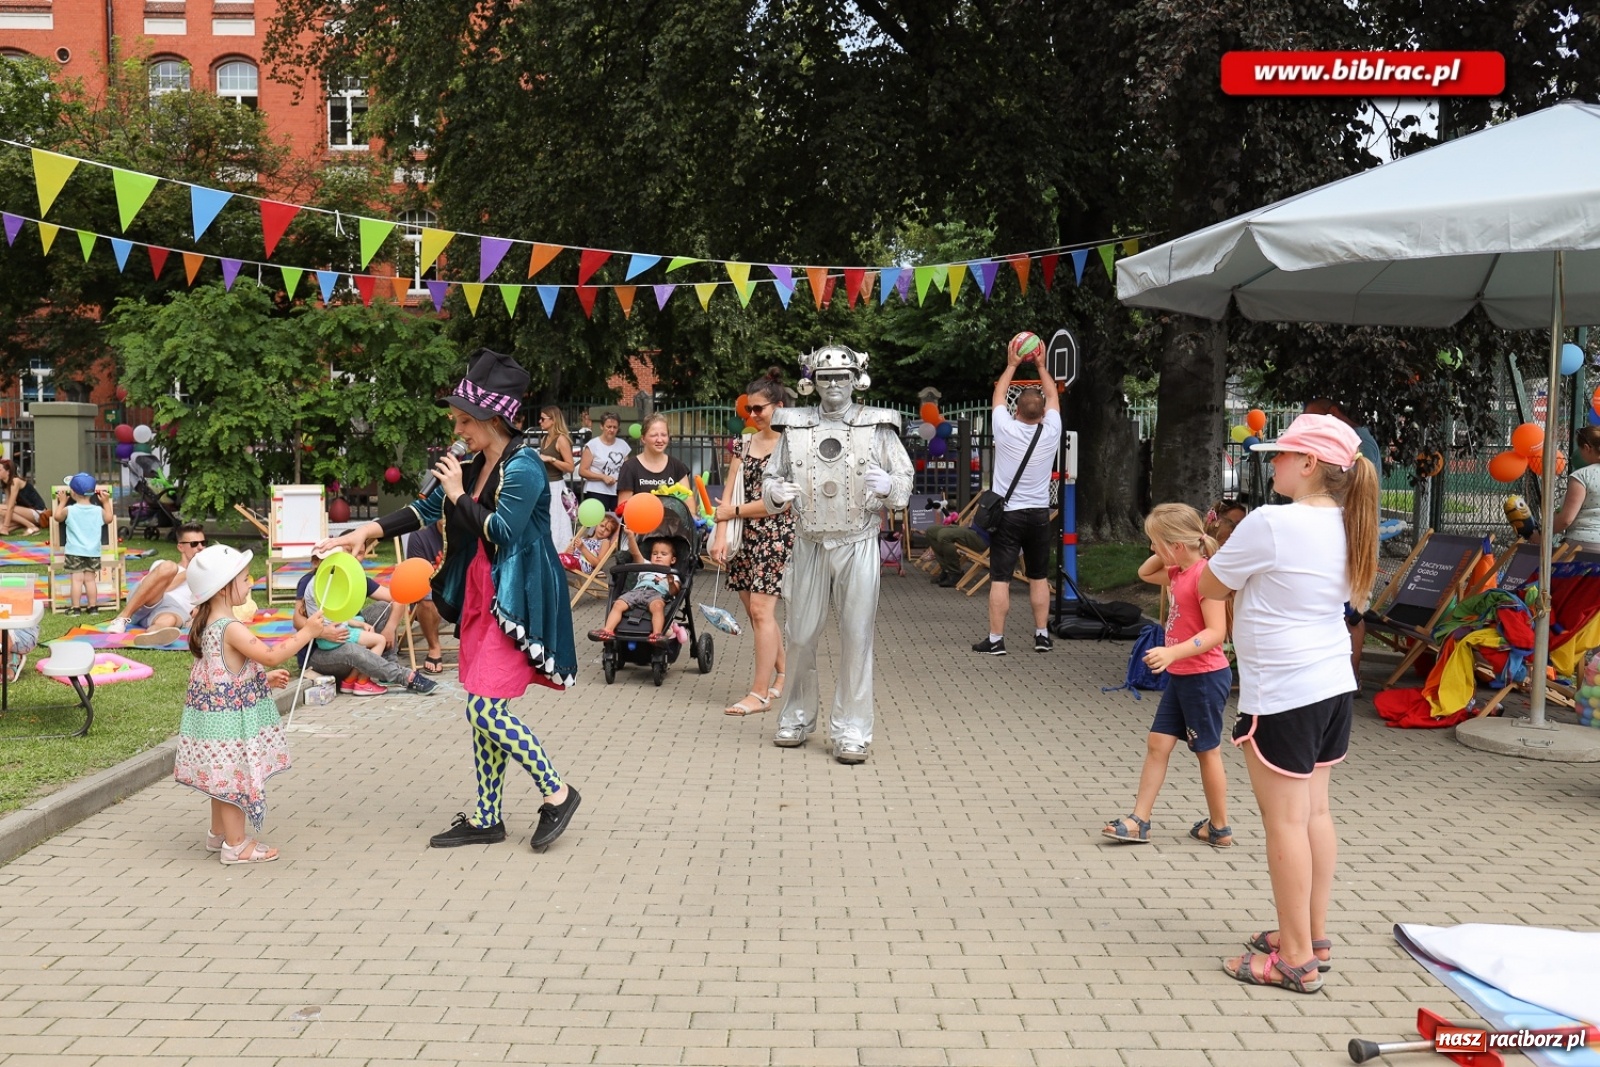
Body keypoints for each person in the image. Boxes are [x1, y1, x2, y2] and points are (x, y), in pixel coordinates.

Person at [316, 348, 581, 852]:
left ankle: (558, 792)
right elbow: (422, 509)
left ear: (495, 418)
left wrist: (460, 494)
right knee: (482, 705)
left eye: (466, 421)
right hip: (482, 592)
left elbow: (502, 531)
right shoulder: (473, 463)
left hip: (517, 595)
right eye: (458, 420)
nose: (459, 429)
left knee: (485, 707)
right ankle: (487, 817)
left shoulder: (523, 468)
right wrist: (364, 530)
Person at [1198, 413, 1379, 994]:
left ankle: (1296, 958)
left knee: (1285, 824)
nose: (1270, 461)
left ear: (1309, 463)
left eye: (1279, 453)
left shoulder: (1270, 523)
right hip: (1330, 687)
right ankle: (1310, 936)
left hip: (1282, 692)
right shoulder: (1352, 521)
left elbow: (1208, 586)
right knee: (1314, 816)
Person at [763, 344, 913, 764]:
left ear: (856, 380)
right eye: (826, 377)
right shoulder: (795, 427)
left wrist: (891, 488)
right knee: (801, 634)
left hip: (858, 539)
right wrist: (774, 492)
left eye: (842, 377)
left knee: (856, 636)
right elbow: (771, 476)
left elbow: (903, 477)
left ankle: (853, 729)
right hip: (809, 539)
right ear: (812, 381)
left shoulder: (878, 426)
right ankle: (795, 714)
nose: (834, 385)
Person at [173, 544, 333, 865]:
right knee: (235, 780)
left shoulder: (207, 624)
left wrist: (262, 679)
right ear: (222, 589)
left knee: (221, 779)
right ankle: (236, 845)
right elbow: (271, 653)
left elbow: (224, 673)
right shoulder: (230, 627)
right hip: (230, 725)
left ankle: (218, 834)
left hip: (213, 724)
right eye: (245, 579)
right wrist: (309, 631)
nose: (251, 584)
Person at [1101, 504, 1233, 848]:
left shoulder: (1205, 577)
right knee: (1158, 743)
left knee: (1207, 751)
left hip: (1203, 676)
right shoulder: (1177, 573)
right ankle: (1138, 820)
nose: (1150, 550)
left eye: (1155, 543)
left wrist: (1172, 652)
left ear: (1176, 545)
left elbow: (1217, 631)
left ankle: (1220, 827)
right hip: (1182, 675)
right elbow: (1146, 572)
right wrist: (1168, 550)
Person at [709, 369, 795, 716]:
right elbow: (727, 491)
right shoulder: (743, 444)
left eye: (759, 408)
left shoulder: (791, 447)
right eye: (749, 410)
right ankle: (783, 674)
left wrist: (734, 512)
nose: (753, 415)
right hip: (745, 534)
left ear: (779, 405)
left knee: (761, 612)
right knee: (755, 611)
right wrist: (720, 533)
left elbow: (782, 503)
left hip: (776, 533)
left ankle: (758, 694)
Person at [973, 336, 1062, 655]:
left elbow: (997, 393)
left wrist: (1012, 364)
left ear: (1016, 410)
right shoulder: (1052, 430)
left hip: (1008, 515)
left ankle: (996, 640)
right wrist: (1041, 364)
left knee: (1000, 578)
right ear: (1043, 412)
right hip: (1039, 515)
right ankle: (1042, 636)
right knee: (1039, 576)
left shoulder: (1005, 428)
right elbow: (1052, 394)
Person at [291, 549, 437, 697]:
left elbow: (397, 599)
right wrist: (323, 632)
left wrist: (389, 629)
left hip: (346, 630)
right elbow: (297, 620)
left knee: (382, 608)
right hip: (319, 653)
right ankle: (404, 676)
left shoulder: (353, 576)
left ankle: (380, 668)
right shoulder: (310, 582)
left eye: (360, 552)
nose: (355, 557)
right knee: (353, 651)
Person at [107, 521, 205, 646]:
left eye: (203, 543)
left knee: (168, 620)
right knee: (170, 567)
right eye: (194, 544)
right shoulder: (162, 564)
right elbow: (166, 588)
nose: (200, 547)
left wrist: (197, 613)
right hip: (144, 600)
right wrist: (191, 569)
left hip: (174, 608)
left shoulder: (204, 577)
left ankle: (152, 634)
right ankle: (122, 617)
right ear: (181, 547)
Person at [588, 539, 680, 643]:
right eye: (655, 553)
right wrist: (630, 535)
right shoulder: (646, 564)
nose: (658, 556)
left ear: (672, 560)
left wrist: (671, 583)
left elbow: (674, 592)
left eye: (663, 554)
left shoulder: (672, 574)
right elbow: (635, 552)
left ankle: (656, 634)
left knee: (658, 607)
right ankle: (607, 630)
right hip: (637, 591)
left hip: (657, 594)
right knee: (618, 604)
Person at [52, 473, 114, 616]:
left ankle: (76, 608)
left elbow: (57, 517)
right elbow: (109, 519)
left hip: (74, 551)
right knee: (90, 580)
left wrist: (61, 501)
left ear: (72, 492)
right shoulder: (98, 510)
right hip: (93, 551)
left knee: (77, 580)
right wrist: (105, 502)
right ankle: (93, 607)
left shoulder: (70, 510)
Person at [616, 413, 690, 510]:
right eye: (654, 435)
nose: (659, 440)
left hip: (672, 524)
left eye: (664, 435)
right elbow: (623, 508)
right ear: (643, 438)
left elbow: (689, 506)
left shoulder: (677, 466)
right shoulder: (630, 467)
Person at [406, 520, 447, 674]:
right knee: (426, 595)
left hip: (459, 592)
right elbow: (416, 579)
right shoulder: (419, 536)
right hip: (431, 593)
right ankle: (434, 647)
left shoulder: (466, 532)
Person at [1552, 426, 1600, 552]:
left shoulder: (1582, 476)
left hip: (1584, 542)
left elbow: (1566, 519)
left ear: (1587, 448)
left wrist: (1544, 535)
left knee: (1551, 568)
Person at [537, 406, 576, 550]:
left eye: (543, 419)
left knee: (556, 520)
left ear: (553, 420)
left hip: (556, 485)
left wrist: (551, 459)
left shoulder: (561, 440)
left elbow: (570, 467)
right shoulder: (545, 438)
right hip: (544, 484)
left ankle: (560, 552)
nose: (540, 421)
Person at [579, 413, 632, 514]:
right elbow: (583, 471)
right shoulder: (592, 445)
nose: (611, 430)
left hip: (617, 491)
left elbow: (626, 468)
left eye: (615, 427)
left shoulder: (623, 445)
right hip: (597, 491)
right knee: (597, 523)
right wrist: (603, 477)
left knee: (617, 522)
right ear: (601, 426)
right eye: (608, 427)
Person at [0, 458, 45, 535]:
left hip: (38, 512)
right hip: (27, 513)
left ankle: (31, 526)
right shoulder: (6, 484)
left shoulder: (15, 481)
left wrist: (5, 527)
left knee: (2, 509)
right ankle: (28, 525)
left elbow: (10, 506)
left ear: (8, 472)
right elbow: (6, 504)